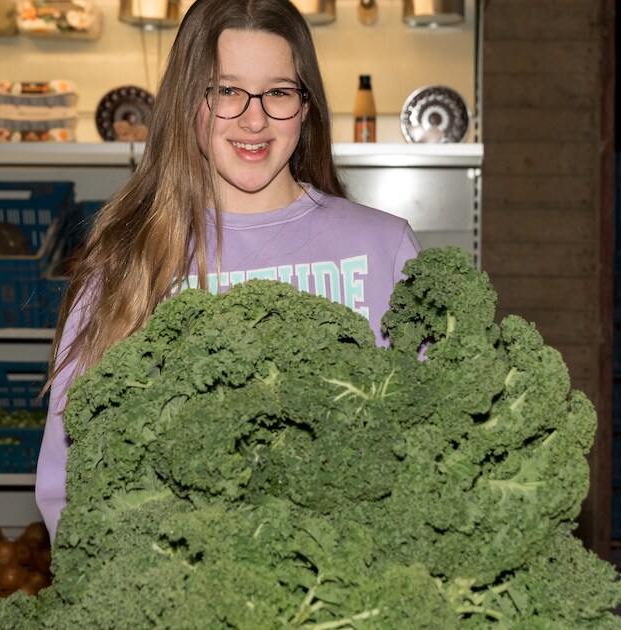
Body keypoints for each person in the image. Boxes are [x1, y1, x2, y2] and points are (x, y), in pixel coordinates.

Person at [35, 0, 421, 541]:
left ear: (306, 107)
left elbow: (432, 447)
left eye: (279, 92)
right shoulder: (127, 268)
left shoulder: (383, 249)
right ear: (187, 102)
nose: (254, 118)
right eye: (226, 91)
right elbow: (70, 483)